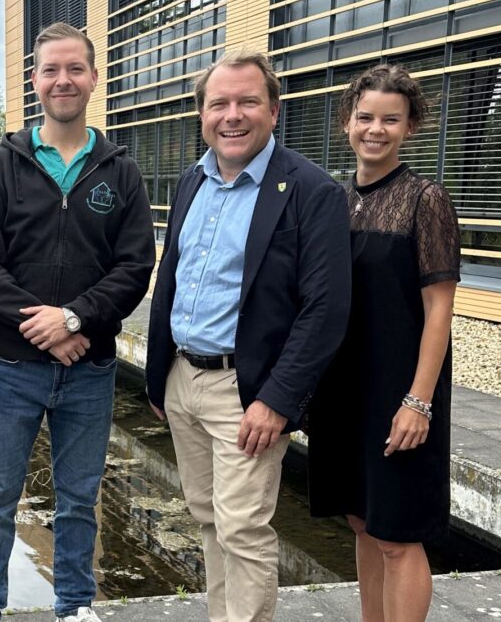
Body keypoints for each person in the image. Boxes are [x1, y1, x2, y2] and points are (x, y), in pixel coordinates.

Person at [0, 22, 155, 622]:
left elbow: (134, 267)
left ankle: (74, 605)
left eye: (74, 69)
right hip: (12, 366)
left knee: (78, 499)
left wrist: (74, 319)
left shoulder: (120, 170)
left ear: (94, 78)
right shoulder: (2, 167)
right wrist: (41, 325)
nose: (62, 80)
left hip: (89, 368)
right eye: (50, 70)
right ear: (34, 81)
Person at [144, 51, 351, 621]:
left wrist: (277, 401)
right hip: (184, 379)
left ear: (274, 110)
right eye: (219, 104)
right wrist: (160, 379)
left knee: (242, 527)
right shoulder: (193, 181)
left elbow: (326, 310)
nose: (232, 116)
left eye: (247, 102)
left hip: (248, 391)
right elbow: (173, 279)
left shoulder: (311, 191)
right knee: (208, 517)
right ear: (201, 114)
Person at [307, 65, 459, 622]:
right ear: (347, 121)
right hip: (344, 391)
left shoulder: (426, 200)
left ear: (410, 126)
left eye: (390, 119)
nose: (376, 128)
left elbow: (439, 309)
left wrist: (418, 401)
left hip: (400, 393)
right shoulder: (333, 199)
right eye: (365, 116)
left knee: (398, 534)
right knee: (362, 522)